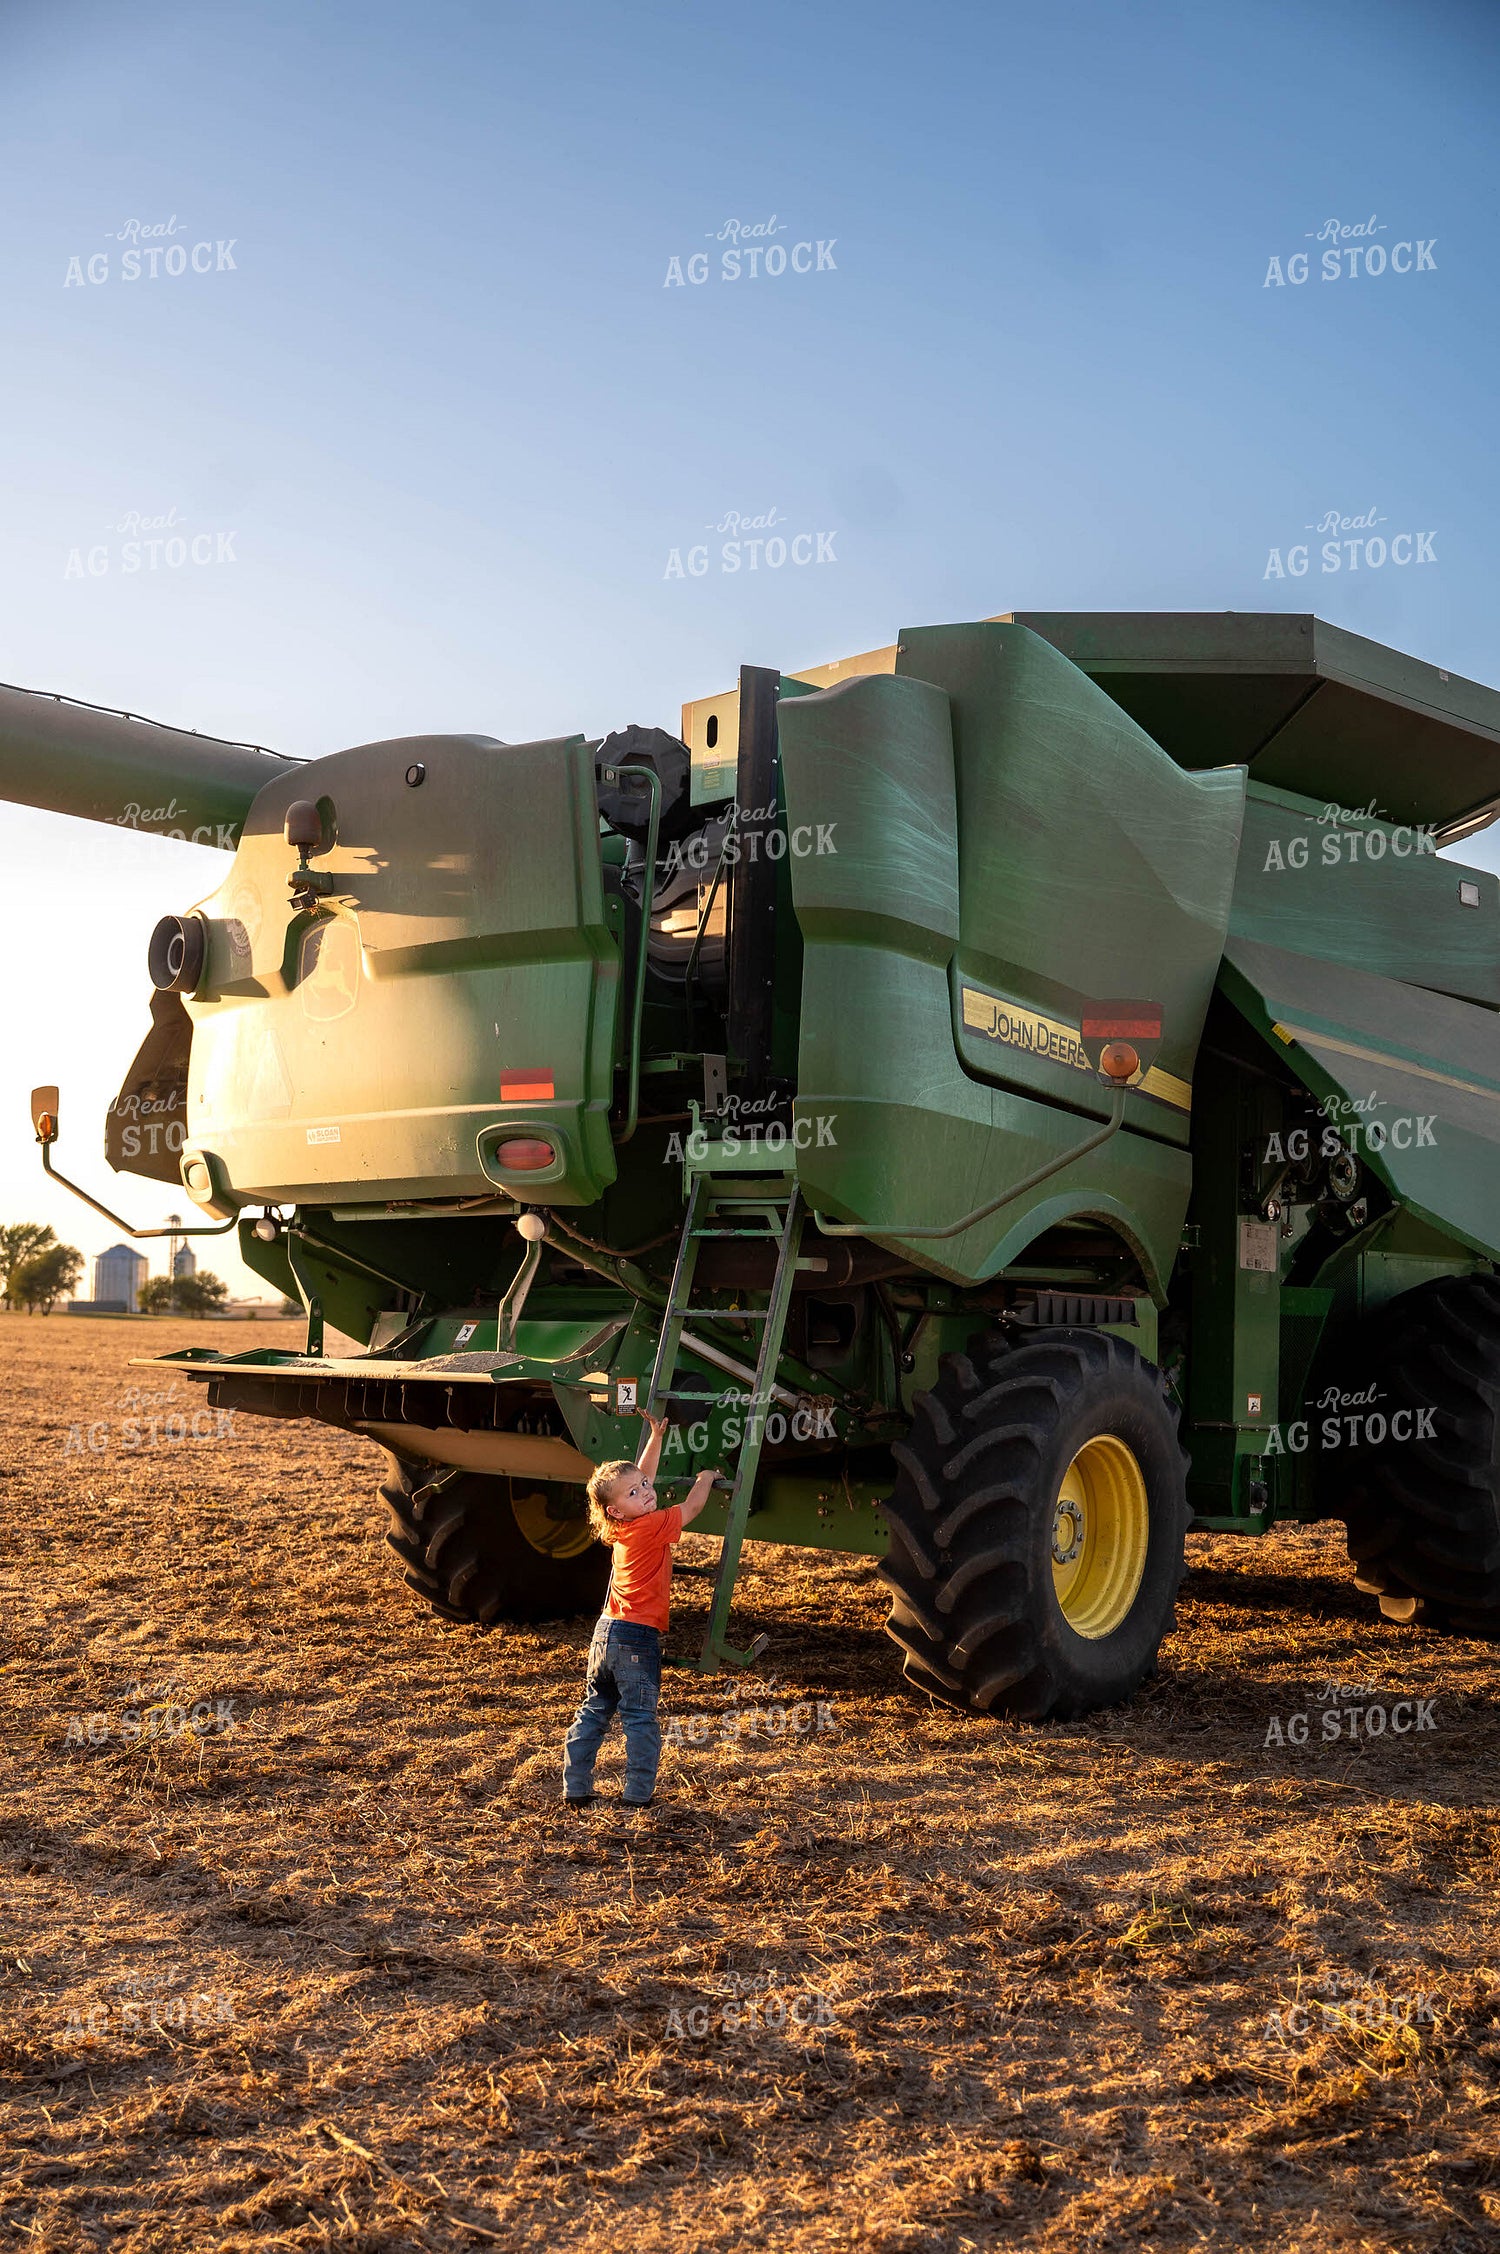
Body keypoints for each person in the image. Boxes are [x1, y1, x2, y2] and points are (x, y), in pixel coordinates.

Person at [561, 1411, 719, 1809]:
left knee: (594, 1710)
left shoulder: (618, 1526)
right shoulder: (651, 1526)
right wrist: (705, 1479)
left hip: (605, 1633)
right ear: (616, 1509)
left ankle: (576, 1787)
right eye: (635, 1493)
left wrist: (655, 1438)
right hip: (636, 1637)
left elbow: (637, 1478)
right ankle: (636, 1795)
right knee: (639, 1717)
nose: (647, 1492)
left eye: (645, 1486)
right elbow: (691, 1508)